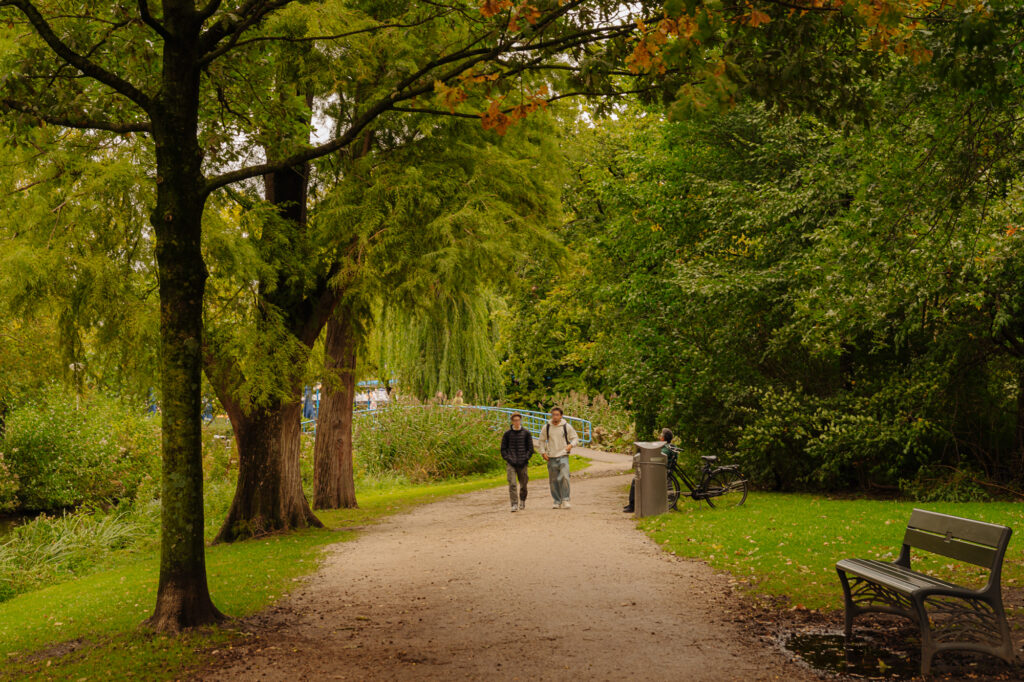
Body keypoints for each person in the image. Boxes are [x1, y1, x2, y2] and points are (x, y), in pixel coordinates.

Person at [623, 428, 674, 513]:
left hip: (658, 473)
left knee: (635, 480)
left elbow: (656, 458)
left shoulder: (665, 449)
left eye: (661, 435)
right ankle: (632, 504)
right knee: (636, 479)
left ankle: (632, 506)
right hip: (659, 470)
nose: (659, 436)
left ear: (663, 438)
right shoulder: (667, 447)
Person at [539, 407, 579, 509]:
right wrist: (543, 452)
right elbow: (541, 440)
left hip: (563, 455)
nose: (555, 417)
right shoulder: (547, 427)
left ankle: (565, 499)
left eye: (557, 415)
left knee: (565, 477)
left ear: (561, 416)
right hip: (551, 456)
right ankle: (557, 500)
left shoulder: (566, 426)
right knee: (553, 480)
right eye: (553, 415)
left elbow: (575, 438)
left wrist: (570, 445)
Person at [500, 413, 534, 512]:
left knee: (523, 483)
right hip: (511, 462)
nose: (516, 422)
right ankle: (514, 503)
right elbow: (503, 449)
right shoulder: (507, 434)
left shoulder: (526, 433)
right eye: (515, 420)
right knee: (512, 483)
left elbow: (530, 448)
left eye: (518, 420)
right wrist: (508, 458)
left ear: (520, 421)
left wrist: (525, 458)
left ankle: (522, 500)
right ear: (512, 421)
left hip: (522, 462)